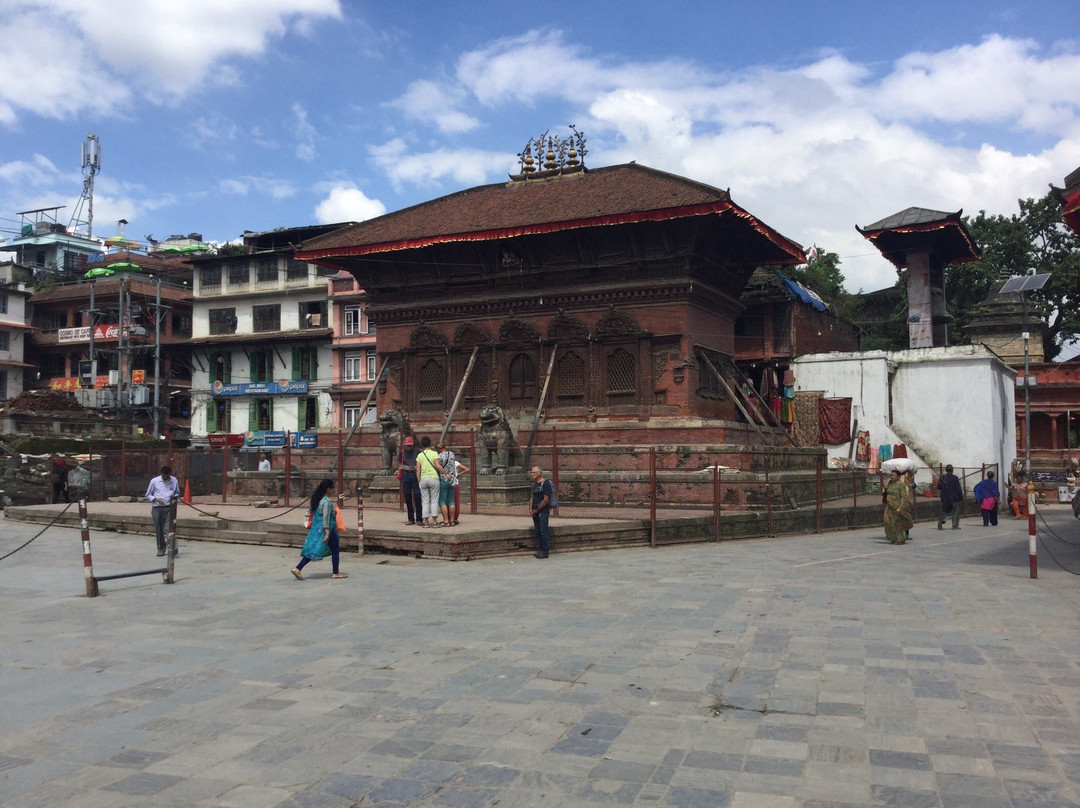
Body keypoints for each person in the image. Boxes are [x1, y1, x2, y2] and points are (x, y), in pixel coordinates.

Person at [291, 479, 347, 580]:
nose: (333, 491)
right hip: (327, 528)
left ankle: (298, 568)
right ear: (328, 489)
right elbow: (326, 517)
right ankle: (336, 573)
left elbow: (309, 512)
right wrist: (327, 532)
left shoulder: (316, 499)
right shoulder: (326, 502)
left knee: (313, 548)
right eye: (332, 488)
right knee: (335, 549)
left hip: (316, 529)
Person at [145, 465, 180, 557]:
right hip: (157, 508)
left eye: (167, 476)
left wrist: (174, 497)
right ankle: (161, 548)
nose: (165, 478)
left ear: (170, 474)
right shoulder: (154, 481)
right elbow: (148, 494)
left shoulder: (174, 480)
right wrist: (156, 499)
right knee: (159, 529)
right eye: (164, 476)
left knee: (169, 528)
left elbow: (177, 492)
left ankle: (172, 547)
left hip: (169, 508)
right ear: (161, 474)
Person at [414, 436, 446, 528]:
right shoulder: (434, 453)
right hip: (433, 478)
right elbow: (438, 466)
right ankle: (435, 521)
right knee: (434, 500)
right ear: (430, 443)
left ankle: (426, 522)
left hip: (423, 479)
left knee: (425, 501)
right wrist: (445, 473)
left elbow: (418, 470)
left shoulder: (420, 455)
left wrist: (419, 480)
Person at [529, 465, 556, 558]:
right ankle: (541, 549)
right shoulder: (534, 485)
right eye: (531, 472)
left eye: (534, 472)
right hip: (535, 511)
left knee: (543, 530)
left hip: (542, 511)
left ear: (539, 473)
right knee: (538, 531)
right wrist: (531, 509)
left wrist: (537, 510)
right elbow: (532, 497)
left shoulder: (546, 483)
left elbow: (546, 499)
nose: (532, 474)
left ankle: (545, 551)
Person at [883, 469, 912, 545]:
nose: (892, 477)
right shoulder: (890, 484)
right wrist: (885, 487)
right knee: (888, 521)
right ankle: (893, 537)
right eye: (891, 475)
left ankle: (900, 538)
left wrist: (900, 507)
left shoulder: (901, 485)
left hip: (897, 507)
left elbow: (904, 497)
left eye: (893, 475)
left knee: (897, 523)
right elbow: (886, 493)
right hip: (889, 506)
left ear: (898, 477)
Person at [398, 435, 421, 525]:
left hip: (415, 476)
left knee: (417, 497)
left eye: (410, 445)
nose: (409, 447)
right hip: (406, 476)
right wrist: (406, 467)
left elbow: (419, 464)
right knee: (407, 498)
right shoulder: (402, 453)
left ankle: (419, 519)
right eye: (408, 445)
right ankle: (411, 518)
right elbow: (399, 464)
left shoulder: (417, 452)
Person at [435, 440, 458, 527]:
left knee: (442, 501)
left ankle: (446, 521)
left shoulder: (439, 456)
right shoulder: (452, 454)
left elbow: (438, 467)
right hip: (453, 479)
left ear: (438, 448)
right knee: (451, 501)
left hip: (444, 479)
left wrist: (445, 473)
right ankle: (452, 520)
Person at [937, 464, 963, 530]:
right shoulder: (955, 478)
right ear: (952, 470)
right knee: (956, 511)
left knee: (945, 510)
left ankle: (941, 520)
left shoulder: (942, 477)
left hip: (944, 497)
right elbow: (958, 489)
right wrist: (961, 497)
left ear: (946, 470)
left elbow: (939, 487)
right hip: (953, 497)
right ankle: (954, 525)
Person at [452, 454, 470, 526]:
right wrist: (459, 474)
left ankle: (449, 518)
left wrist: (459, 474)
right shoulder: (455, 463)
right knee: (455, 501)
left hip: (447, 482)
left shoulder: (446, 462)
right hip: (455, 483)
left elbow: (466, 469)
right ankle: (454, 518)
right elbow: (466, 469)